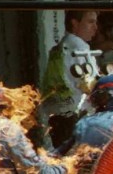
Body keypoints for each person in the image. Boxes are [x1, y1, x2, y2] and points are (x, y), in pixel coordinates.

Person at [39, 10, 101, 148]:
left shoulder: (62, 47)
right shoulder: (77, 46)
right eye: (90, 22)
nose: (95, 27)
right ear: (75, 23)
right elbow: (92, 84)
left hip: (59, 115)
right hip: (75, 116)